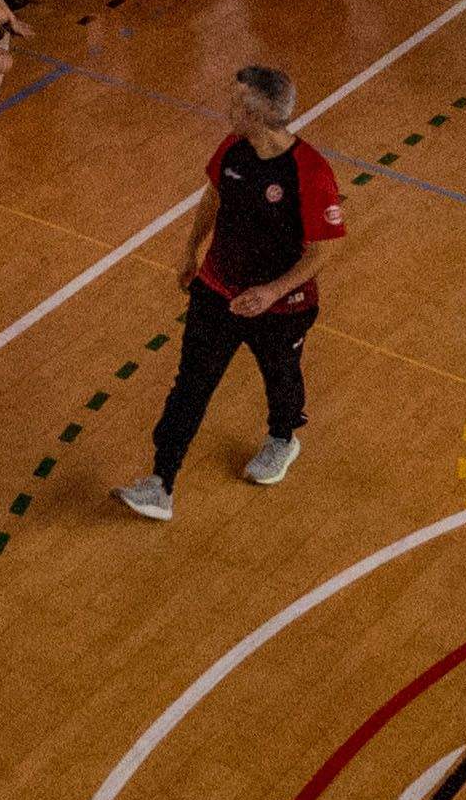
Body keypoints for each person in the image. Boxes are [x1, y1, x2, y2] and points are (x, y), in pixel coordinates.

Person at [115, 66, 338, 518]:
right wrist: (190, 250)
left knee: (281, 376)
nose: (228, 108)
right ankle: (161, 481)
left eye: (237, 102)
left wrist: (271, 293)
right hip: (216, 289)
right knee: (191, 384)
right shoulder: (233, 150)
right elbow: (212, 198)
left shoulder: (310, 172)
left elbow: (321, 251)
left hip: (281, 307)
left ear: (261, 113)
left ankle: (282, 437)